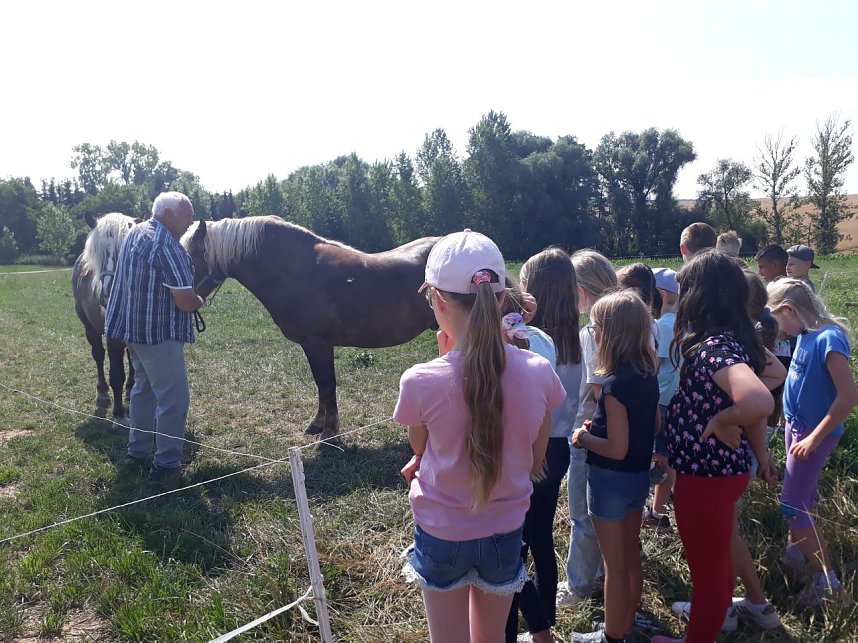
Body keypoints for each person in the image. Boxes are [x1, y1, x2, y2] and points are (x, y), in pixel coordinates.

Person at [395, 230, 566, 643]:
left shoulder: (420, 380)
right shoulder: (540, 371)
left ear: (437, 300)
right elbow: (535, 455)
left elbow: (420, 447)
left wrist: (443, 358)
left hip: (442, 532)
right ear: (502, 298)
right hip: (506, 530)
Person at [651, 250, 779, 643]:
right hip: (724, 471)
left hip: (704, 476)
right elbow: (776, 372)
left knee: (707, 574)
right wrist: (760, 452)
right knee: (718, 563)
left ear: (698, 297)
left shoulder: (711, 349)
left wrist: (721, 419)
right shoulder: (736, 340)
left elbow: (759, 401)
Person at [570, 291, 659, 643]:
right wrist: (603, 427)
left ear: (609, 334)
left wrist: (583, 436)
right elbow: (652, 426)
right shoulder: (647, 374)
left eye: (595, 328)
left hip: (609, 482)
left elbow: (616, 449)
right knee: (631, 556)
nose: (593, 334)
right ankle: (627, 622)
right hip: (638, 479)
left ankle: (612, 636)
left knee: (615, 565)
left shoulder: (612, 385)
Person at [505, 248, 583, 643]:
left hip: (530, 446)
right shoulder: (577, 339)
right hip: (560, 447)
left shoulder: (532, 341)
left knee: (513, 540)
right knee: (541, 536)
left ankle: (525, 622)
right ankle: (544, 617)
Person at [768, 278, 858, 605]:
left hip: (813, 435)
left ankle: (827, 583)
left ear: (789, 309)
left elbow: (849, 396)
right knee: (803, 500)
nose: (776, 330)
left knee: (792, 502)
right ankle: (797, 555)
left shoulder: (828, 338)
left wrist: (815, 438)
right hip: (798, 430)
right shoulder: (804, 336)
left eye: (776, 320)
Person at [105, 192, 204, 483]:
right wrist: (200, 299)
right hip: (158, 334)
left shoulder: (137, 232)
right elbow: (185, 300)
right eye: (187, 214)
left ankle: (137, 452)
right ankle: (166, 464)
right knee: (174, 399)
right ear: (170, 214)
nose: (190, 221)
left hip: (134, 331)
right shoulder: (166, 244)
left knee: (142, 391)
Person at [556, 250, 618, 607]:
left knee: (582, 512)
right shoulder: (638, 321)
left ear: (582, 288)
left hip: (588, 431)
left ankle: (578, 587)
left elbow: (595, 390)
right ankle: (601, 574)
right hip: (620, 434)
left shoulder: (594, 331)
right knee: (608, 510)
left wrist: (579, 429)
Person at [644, 267, 680, 529]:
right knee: (667, 455)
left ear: (661, 294)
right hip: (675, 398)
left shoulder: (665, 325)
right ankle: (661, 505)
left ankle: (657, 513)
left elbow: (653, 365)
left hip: (662, 400)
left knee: (662, 458)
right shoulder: (681, 320)